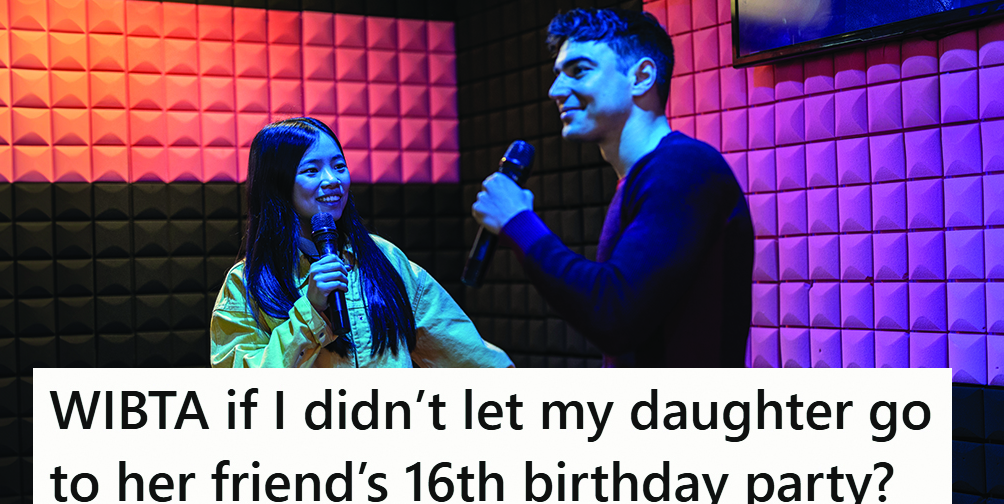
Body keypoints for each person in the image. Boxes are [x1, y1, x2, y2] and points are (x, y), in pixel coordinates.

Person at [471, 9, 754, 367]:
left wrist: (517, 222)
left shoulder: (683, 169)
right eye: (558, 74)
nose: (555, 90)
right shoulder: (645, 177)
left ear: (640, 77)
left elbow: (614, 313)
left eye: (579, 70)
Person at [211, 117, 512, 368]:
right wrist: (310, 313)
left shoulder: (385, 259)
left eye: (339, 166)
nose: (332, 180)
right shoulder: (246, 283)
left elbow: (461, 348)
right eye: (312, 170)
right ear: (277, 185)